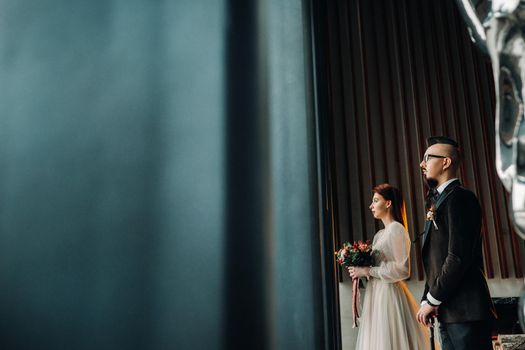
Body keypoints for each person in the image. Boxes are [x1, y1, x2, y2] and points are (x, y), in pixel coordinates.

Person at [416, 136, 496, 350]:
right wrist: (427, 300)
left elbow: (457, 257)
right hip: (448, 311)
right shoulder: (438, 201)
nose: (422, 164)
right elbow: (436, 259)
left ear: (446, 162)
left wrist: (433, 299)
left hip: (466, 312)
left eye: (427, 158)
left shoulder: (461, 198)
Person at [349, 184, 430, 350]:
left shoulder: (397, 229)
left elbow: (403, 269)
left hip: (388, 296)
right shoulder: (379, 234)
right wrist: (359, 267)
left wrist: (367, 271)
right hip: (376, 294)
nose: (371, 206)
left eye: (376, 200)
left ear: (388, 203)